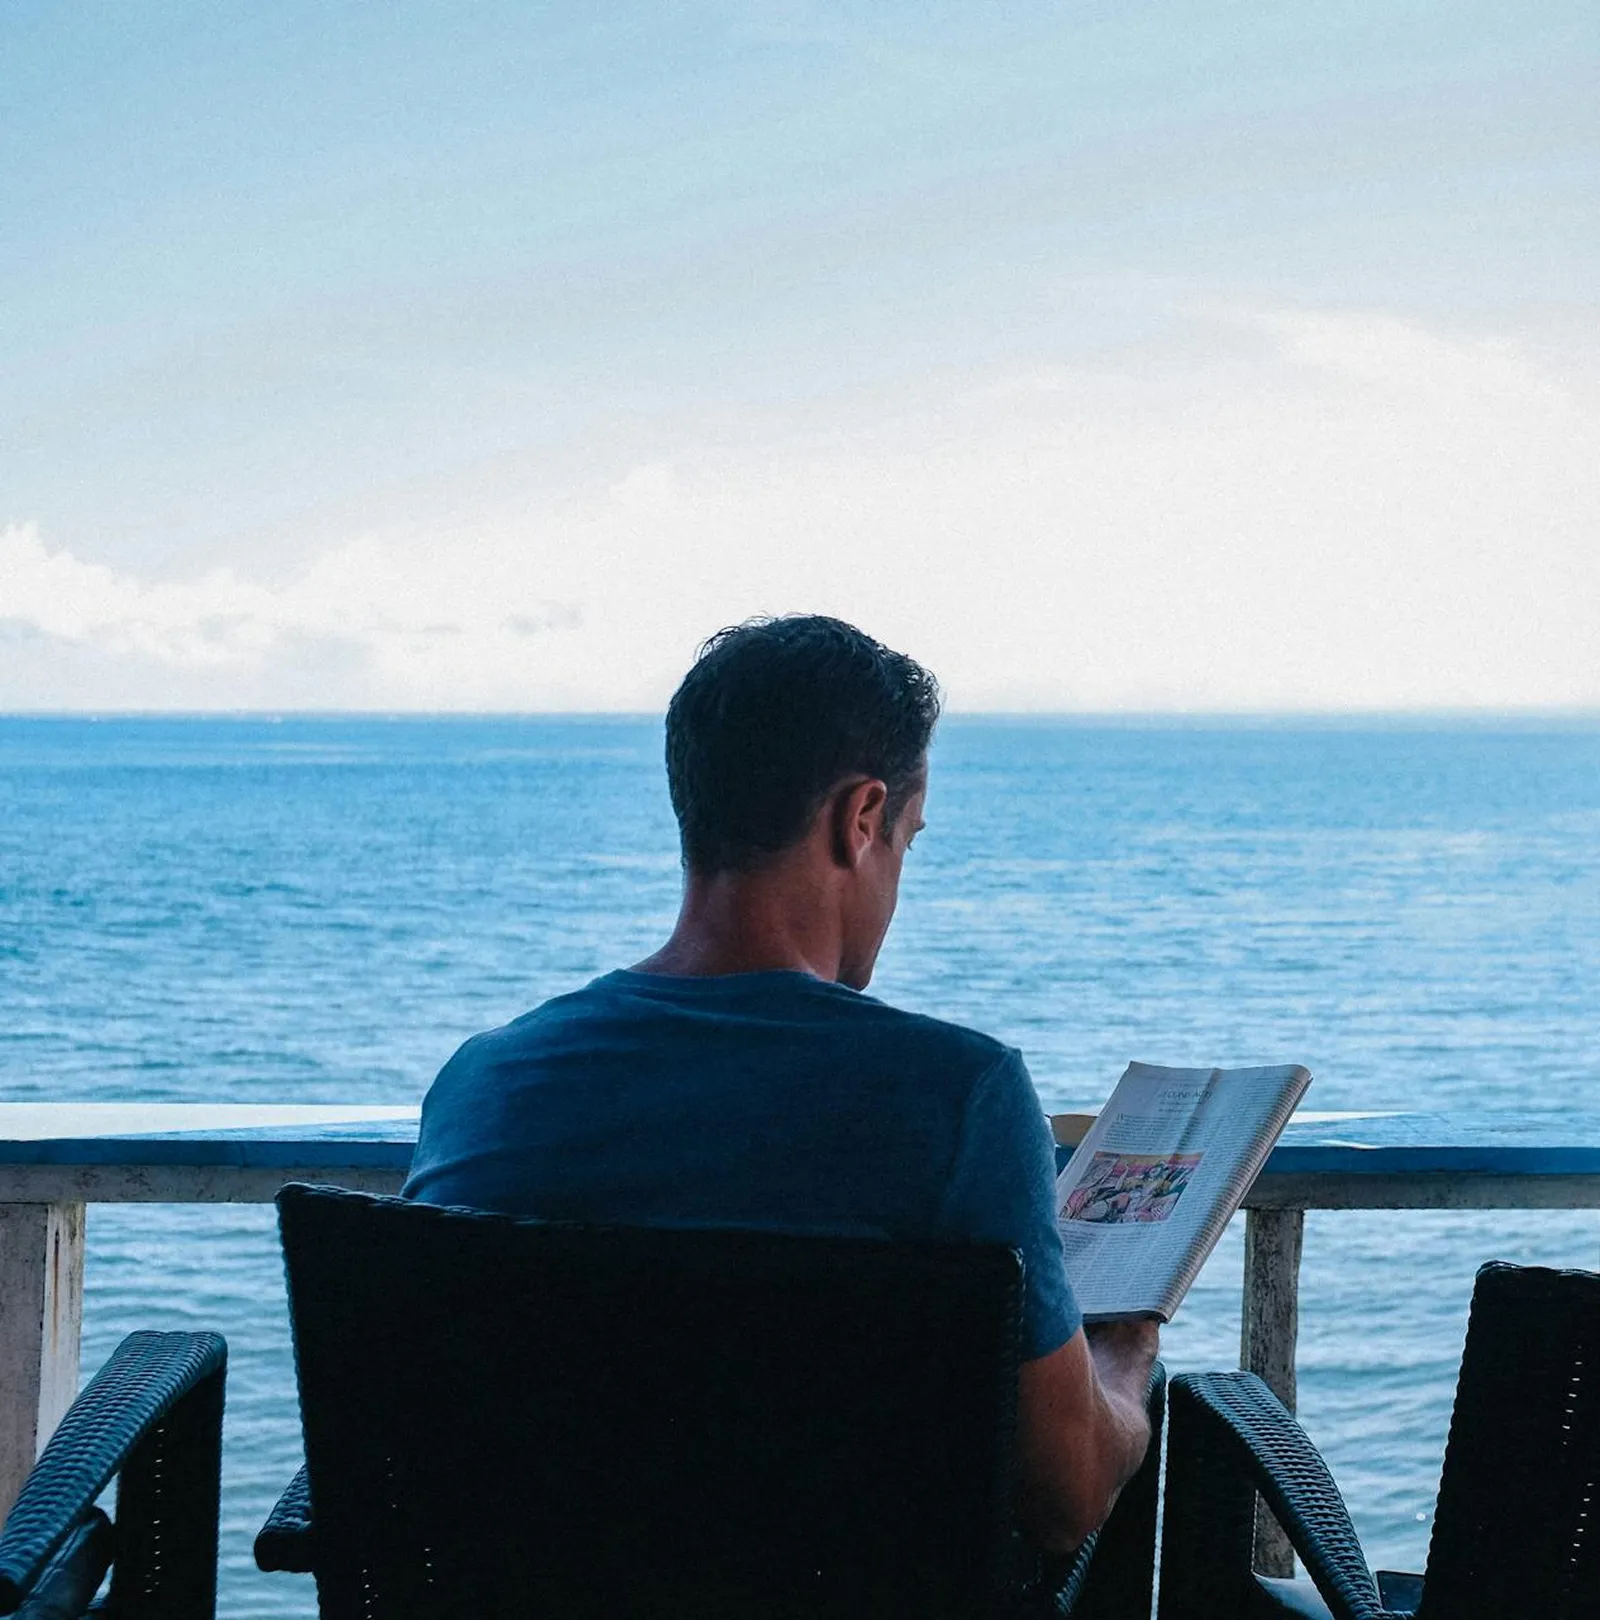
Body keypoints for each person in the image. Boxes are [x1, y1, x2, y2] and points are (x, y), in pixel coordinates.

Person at [404, 614, 1158, 1553]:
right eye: (908, 844)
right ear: (862, 820)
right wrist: (1121, 1362)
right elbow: (1064, 1499)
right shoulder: (959, 1097)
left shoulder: (483, 1087)